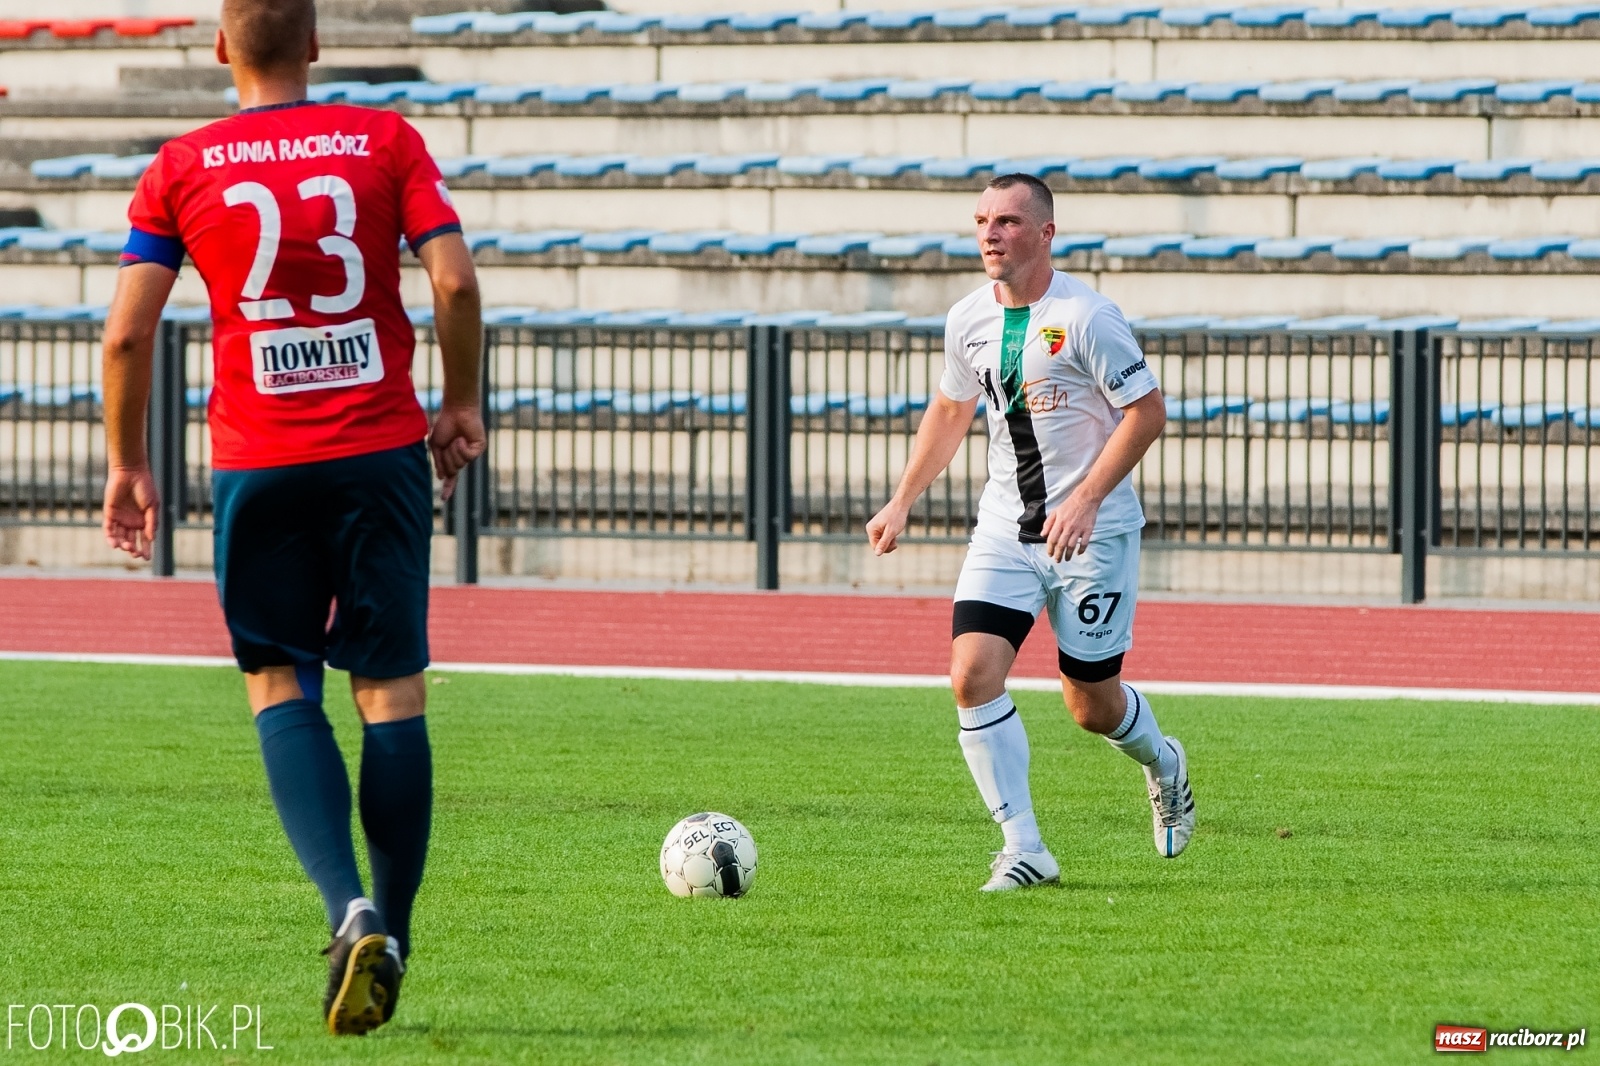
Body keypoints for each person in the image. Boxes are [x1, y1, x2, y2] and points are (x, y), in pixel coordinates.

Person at [100, 0, 484, 1034]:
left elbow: (128, 338)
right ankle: (391, 933)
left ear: (220, 46)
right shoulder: (384, 141)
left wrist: (129, 461)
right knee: (391, 692)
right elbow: (450, 277)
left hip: (259, 460)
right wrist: (460, 400)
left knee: (280, 680)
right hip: (379, 452)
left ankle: (344, 905)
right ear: (315, 42)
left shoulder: (182, 164)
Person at [866, 173, 1193, 892]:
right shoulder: (966, 319)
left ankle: (1163, 761)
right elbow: (951, 410)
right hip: (1005, 532)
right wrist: (902, 500)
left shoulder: (1087, 316)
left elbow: (1147, 413)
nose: (991, 233)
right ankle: (1025, 847)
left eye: (1009, 221)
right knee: (970, 675)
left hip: (1093, 536)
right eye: (983, 220)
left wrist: (1086, 501)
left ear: (1046, 233)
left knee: (1090, 706)